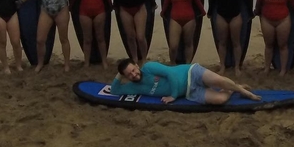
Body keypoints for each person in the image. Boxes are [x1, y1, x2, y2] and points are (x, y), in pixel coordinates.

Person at [110, 58, 260, 105]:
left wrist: (173, 96)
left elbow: (170, 74)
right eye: (129, 75)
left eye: (134, 70)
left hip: (191, 73)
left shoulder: (149, 67)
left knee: (219, 81)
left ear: (137, 65)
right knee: (220, 99)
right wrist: (119, 73)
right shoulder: (134, 88)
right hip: (190, 92)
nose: (134, 75)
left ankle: (243, 91)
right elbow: (115, 90)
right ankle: (235, 88)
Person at [17, 0, 74, 73]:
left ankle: (67, 64)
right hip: (46, 10)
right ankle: (40, 63)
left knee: (64, 39)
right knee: (40, 40)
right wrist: (21, 1)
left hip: (61, 9)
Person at [208, 0, 251, 77]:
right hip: (221, 15)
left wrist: (250, 14)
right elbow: (212, 0)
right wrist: (210, 12)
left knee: (236, 42)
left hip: (236, 16)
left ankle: (237, 66)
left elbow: (246, 0)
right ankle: (222, 66)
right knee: (222, 42)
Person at [71, 0, 111, 69]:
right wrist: (71, 6)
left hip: (100, 11)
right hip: (84, 12)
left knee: (100, 37)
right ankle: (86, 63)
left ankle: (104, 62)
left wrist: (111, 5)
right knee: (87, 39)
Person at [161, 0, 205, 65]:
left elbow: (197, 1)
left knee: (188, 43)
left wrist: (203, 11)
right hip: (175, 19)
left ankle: (187, 64)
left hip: (189, 19)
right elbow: (166, 2)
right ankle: (172, 63)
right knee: (173, 46)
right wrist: (163, 12)